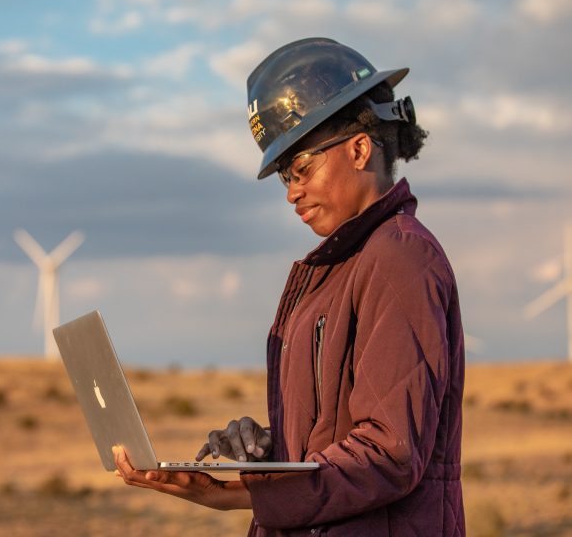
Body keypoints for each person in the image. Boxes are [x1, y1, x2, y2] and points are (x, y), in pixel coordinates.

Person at [113, 37, 465, 536]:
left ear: (360, 148)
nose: (292, 192)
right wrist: (267, 452)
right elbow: (338, 438)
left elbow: (389, 454)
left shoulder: (400, 257)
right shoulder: (338, 268)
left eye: (301, 168)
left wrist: (246, 494)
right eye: (284, 177)